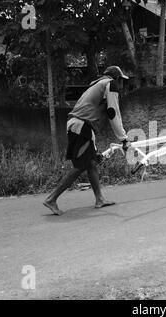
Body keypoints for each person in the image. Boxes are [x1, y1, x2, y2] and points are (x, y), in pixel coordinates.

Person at [43, 66, 131, 215]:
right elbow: (113, 112)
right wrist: (123, 139)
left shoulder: (96, 84)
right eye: (121, 81)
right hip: (81, 126)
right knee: (80, 166)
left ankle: (99, 199)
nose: (122, 85)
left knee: (91, 163)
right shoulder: (111, 84)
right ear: (116, 78)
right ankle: (51, 199)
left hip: (78, 125)